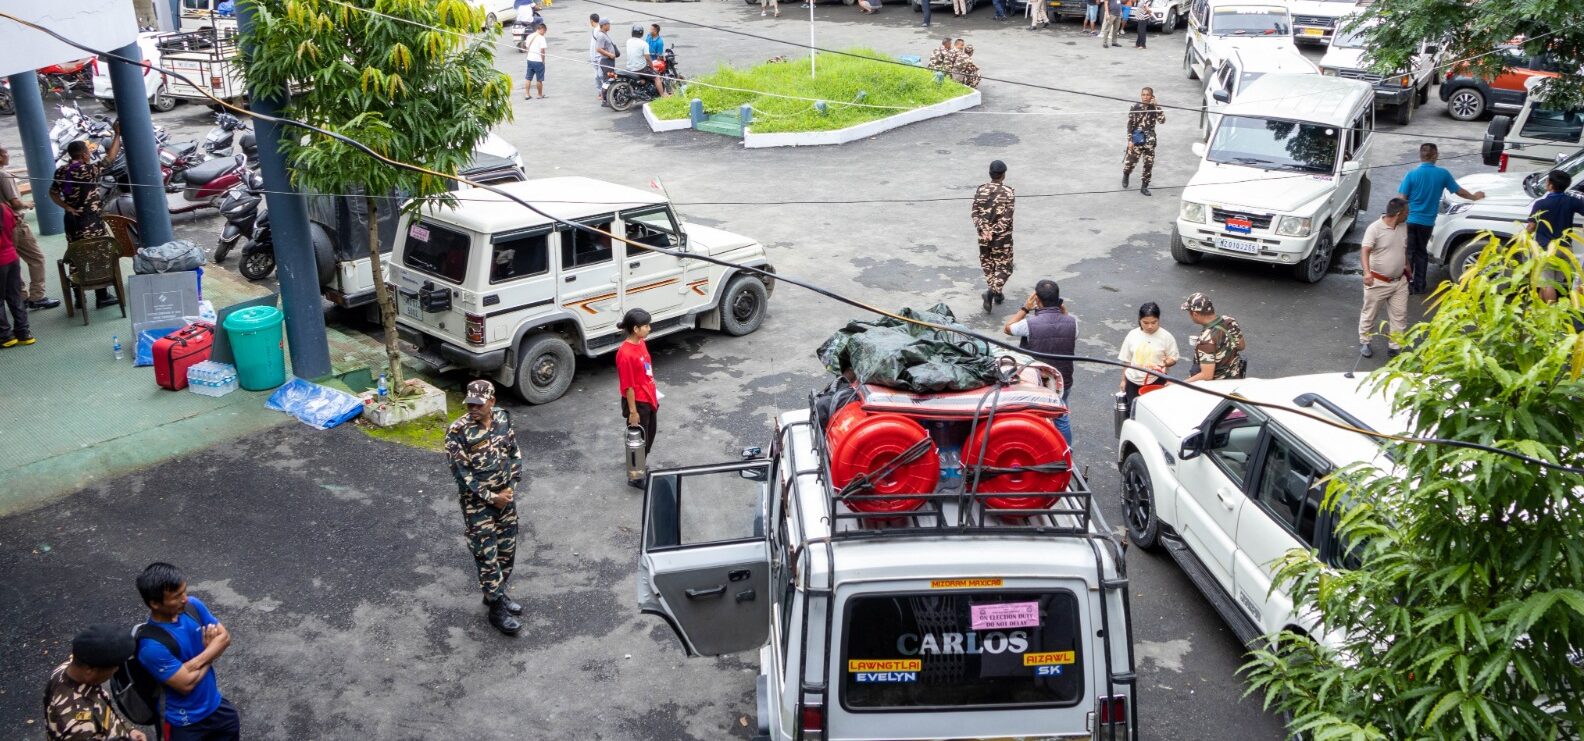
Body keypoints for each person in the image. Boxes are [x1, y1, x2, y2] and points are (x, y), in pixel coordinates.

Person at [444, 380, 525, 636]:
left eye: (478, 403)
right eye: (469, 402)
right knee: (487, 556)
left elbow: (514, 452)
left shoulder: (502, 418)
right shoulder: (457, 431)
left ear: (492, 401)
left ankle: (496, 594)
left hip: (505, 500)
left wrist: (511, 485)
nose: (473, 407)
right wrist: (493, 497)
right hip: (477, 506)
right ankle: (496, 609)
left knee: (506, 552)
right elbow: (463, 476)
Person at [134, 563, 240, 740]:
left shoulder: (193, 607)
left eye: (184, 591)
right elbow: (186, 685)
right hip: (183, 722)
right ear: (154, 603)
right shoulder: (151, 646)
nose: (185, 599)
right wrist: (211, 652)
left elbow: (225, 638)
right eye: (177, 596)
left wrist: (198, 660)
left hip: (216, 706)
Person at [1397, 142, 1484, 294]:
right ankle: (1420, 285)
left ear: (1420, 155)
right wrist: (1474, 197)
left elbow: (1402, 197)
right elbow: (1459, 191)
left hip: (1410, 220)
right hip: (1427, 222)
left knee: (1408, 252)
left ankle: (1406, 286)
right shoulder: (1442, 174)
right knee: (1421, 252)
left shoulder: (1411, 174)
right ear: (1435, 155)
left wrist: (1400, 217)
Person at [50, 124, 122, 307]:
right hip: (90, 222)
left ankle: (79, 298)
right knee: (97, 254)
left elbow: (53, 193)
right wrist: (117, 134)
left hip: (72, 222)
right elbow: (110, 158)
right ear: (83, 155)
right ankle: (101, 296)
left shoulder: (61, 171)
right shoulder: (88, 170)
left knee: (76, 255)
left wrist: (67, 207)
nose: (89, 155)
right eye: (88, 153)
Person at [43, 624, 146, 741]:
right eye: (113, 667)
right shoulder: (80, 726)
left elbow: (102, 711)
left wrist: (127, 731)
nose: (116, 669)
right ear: (90, 670)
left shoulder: (65, 670)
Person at [1003, 279, 1076, 443]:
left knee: (1033, 416)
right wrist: (1064, 311)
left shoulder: (1029, 324)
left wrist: (1025, 308)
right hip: (1063, 380)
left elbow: (1008, 327)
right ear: (1058, 299)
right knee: (1061, 416)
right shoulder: (1073, 323)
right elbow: (1072, 332)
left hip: (1037, 381)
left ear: (1037, 300)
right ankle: (1066, 452)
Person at [0, 145, 60, 310]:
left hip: (2, 227)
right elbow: (15, 202)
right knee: (36, 258)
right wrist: (28, 204)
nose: (8, 156)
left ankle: (21, 296)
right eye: (6, 153)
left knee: (13, 262)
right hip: (15, 224)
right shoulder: (4, 175)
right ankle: (37, 296)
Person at [1358, 198, 1411, 358]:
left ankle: (1395, 346)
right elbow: (1365, 251)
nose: (1409, 214)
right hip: (1378, 281)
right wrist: (1367, 273)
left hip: (1399, 281)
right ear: (1399, 213)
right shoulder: (1374, 228)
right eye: (1407, 212)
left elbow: (1403, 249)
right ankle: (1365, 341)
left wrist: (1407, 265)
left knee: (1399, 314)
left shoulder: (1403, 227)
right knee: (1370, 313)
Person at [1527, 169, 1584, 303]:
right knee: (1554, 283)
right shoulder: (1571, 201)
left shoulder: (1540, 204)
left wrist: (1523, 240)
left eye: (1547, 181)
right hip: (1565, 249)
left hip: (1546, 249)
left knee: (1547, 283)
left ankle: (1550, 314)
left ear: (1551, 185)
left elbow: (1531, 227)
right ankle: (1544, 310)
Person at [617, 308, 659, 482]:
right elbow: (628, 388)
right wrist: (633, 413)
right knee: (638, 440)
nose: (649, 328)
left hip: (649, 398)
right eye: (646, 326)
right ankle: (635, 476)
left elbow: (645, 366)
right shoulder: (625, 354)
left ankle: (640, 464)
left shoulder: (641, 343)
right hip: (638, 403)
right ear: (635, 329)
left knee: (648, 437)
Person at [972, 160, 1015, 313]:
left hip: (983, 236)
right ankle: (992, 292)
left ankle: (997, 294)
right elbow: (1007, 218)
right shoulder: (1008, 192)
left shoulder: (981, 190)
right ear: (1003, 175)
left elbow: (975, 212)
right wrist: (995, 231)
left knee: (988, 263)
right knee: (1005, 266)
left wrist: (984, 229)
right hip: (1001, 239)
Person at [1117, 302, 1179, 404]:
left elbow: (1173, 358)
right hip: (1132, 380)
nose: (1150, 326)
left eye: (1154, 322)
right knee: (1133, 410)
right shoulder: (1132, 335)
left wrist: (1166, 362)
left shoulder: (1167, 337)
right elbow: (1126, 360)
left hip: (1156, 380)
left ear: (1158, 320)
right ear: (1139, 320)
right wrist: (1123, 380)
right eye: (1145, 322)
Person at [1183, 293, 1245, 382]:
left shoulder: (1205, 341)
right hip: (1235, 380)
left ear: (1195, 314)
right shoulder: (1230, 321)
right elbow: (1241, 346)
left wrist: (1182, 384)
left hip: (1217, 388)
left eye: (1189, 312)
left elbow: (1207, 375)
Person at [0, 203, 32, 348]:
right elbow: (14, 225)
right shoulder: (4, 207)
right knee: (15, 295)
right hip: (11, 257)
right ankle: (23, 332)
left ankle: (5, 335)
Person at [1123, 87, 1164, 196]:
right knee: (1130, 162)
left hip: (1149, 141)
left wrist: (1157, 106)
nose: (1145, 97)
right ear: (1141, 95)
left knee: (1148, 164)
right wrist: (1130, 140)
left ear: (1152, 96)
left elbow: (1162, 120)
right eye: (1143, 94)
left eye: (1148, 95)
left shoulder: (1154, 108)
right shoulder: (1135, 107)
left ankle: (1144, 187)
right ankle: (1126, 174)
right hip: (1137, 139)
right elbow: (1130, 124)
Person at [590, 16, 618, 103]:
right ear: (604, 25)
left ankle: (607, 98)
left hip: (608, 60)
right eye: (608, 24)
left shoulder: (604, 34)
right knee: (607, 80)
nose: (609, 26)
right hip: (606, 60)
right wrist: (610, 54)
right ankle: (605, 99)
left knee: (609, 79)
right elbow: (598, 49)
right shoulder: (601, 36)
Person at [524, 23, 547, 100]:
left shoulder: (529, 36)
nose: (544, 33)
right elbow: (542, 51)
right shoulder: (541, 38)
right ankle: (539, 94)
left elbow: (526, 48)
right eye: (544, 31)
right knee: (539, 79)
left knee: (528, 78)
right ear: (542, 29)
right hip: (538, 61)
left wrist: (528, 56)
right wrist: (543, 61)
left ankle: (527, 94)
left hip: (530, 59)